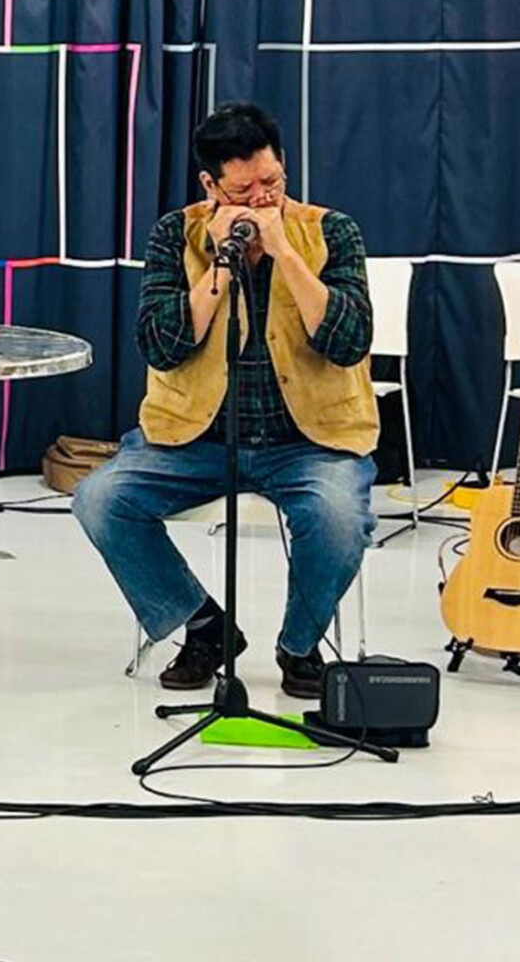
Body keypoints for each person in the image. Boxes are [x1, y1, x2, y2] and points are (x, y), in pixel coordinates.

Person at [72, 102, 380, 700]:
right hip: (197, 437)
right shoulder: (174, 234)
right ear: (211, 186)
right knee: (100, 499)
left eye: (272, 183)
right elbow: (160, 346)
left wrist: (285, 253)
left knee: (340, 518)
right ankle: (205, 626)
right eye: (244, 190)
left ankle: (299, 646)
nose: (261, 199)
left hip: (309, 440)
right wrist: (219, 267)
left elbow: (349, 342)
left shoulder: (332, 230)